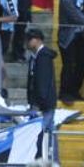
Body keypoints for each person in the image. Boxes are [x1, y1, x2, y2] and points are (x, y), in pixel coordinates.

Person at [26, 28, 58, 157]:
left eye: (29, 39)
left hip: (43, 104)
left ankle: (45, 161)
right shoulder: (37, 56)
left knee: (39, 134)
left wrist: (39, 103)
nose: (27, 42)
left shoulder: (43, 56)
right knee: (48, 134)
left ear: (38, 40)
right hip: (44, 103)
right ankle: (52, 161)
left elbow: (42, 82)